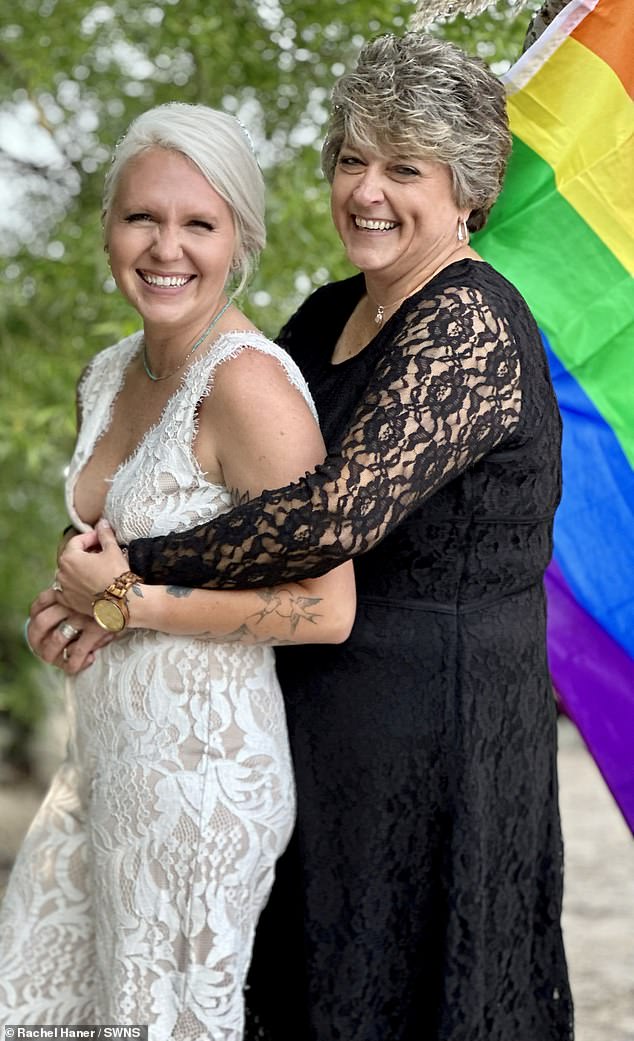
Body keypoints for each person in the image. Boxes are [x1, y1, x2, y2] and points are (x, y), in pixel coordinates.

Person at [53, 31, 573, 1041]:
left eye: (402, 167)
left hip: (440, 726)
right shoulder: (330, 310)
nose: (365, 191)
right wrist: (93, 578)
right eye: (350, 159)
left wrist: (129, 574)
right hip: (313, 709)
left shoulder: (470, 320)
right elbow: (221, 481)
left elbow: (332, 514)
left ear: (468, 191)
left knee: (422, 990)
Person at [0, 103, 356, 1038]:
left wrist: (126, 602)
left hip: (202, 781)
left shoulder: (250, 385)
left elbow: (326, 606)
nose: (167, 247)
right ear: (109, 225)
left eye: (199, 223)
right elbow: (125, 560)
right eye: (142, 218)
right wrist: (67, 613)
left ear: (239, 237)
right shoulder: (108, 372)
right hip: (104, 764)